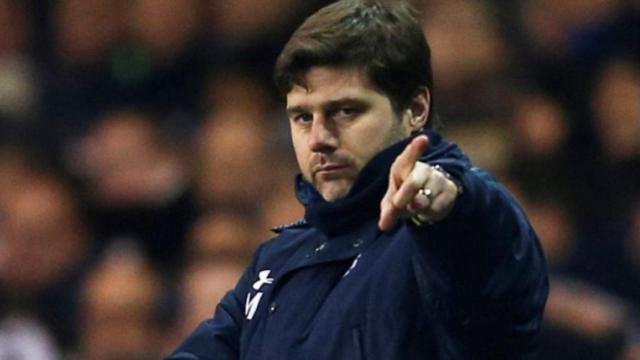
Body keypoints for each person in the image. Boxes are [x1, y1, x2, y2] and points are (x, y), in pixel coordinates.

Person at [168, 0, 548, 358]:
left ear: (416, 108)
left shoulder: (449, 234)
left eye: (346, 111)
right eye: (302, 117)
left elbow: (493, 261)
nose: (319, 139)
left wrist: (450, 205)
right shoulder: (278, 261)